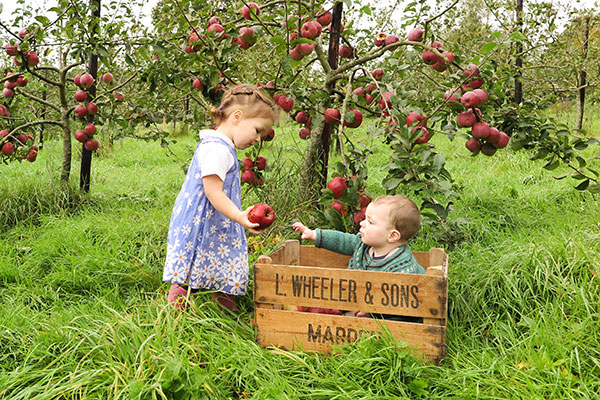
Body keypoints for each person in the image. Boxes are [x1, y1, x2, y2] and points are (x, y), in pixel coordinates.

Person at [163, 84, 278, 311]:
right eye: (257, 131)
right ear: (237, 117)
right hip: (202, 224)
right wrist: (239, 215)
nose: (257, 139)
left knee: (218, 260)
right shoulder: (218, 150)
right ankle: (179, 312)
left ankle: (224, 308)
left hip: (211, 221)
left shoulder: (219, 145)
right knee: (196, 265)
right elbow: (213, 191)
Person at [292, 195, 425, 319]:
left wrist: (373, 309)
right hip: (357, 302)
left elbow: (399, 297)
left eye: (371, 222)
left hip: (389, 318)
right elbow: (341, 241)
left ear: (392, 236)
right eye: (365, 218)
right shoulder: (363, 245)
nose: (362, 223)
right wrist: (313, 235)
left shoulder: (404, 268)